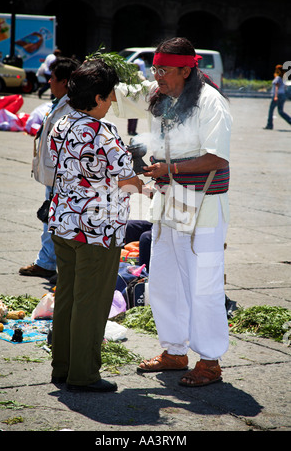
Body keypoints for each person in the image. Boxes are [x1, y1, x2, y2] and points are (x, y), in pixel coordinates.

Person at [113, 37, 232, 387]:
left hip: (204, 207)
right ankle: (174, 351)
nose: (157, 76)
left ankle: (209, 361)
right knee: (164, 283)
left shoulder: (211, 102)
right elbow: (117, 97)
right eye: (155, 69)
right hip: (168, 203)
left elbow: (216, 157)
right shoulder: (160, 92)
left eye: (164, 70)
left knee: (203, 286)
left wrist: (171, 170)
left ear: (186, 68)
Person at [47, 59, 143, 392]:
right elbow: (127, 182)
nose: (113, 100)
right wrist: (147, 180)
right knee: (92, 303)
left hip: (64, 223)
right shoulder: (103, 132)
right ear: (99, 97)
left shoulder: (61, 123)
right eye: (111, 94)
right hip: (97, 232)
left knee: (69, 298)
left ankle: (61, 367)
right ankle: (84, 375)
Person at [19, 57, 80, 280]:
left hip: (61, 177)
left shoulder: (71, 106)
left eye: (52, 78)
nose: (49, 82)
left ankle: (49, 265)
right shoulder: (59, 102)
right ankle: (46, 263)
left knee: (54, 222)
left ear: (64, 82)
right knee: (50, 221)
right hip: (53, 175)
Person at [264, 64, 291, 130]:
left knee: (271, 110)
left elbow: (276, 87)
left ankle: (269, 125)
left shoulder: (278, 78)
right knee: (281, 111)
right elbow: (285, 87)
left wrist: (275, 96)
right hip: (282, 95)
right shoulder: (284, 78)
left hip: (278, 95)